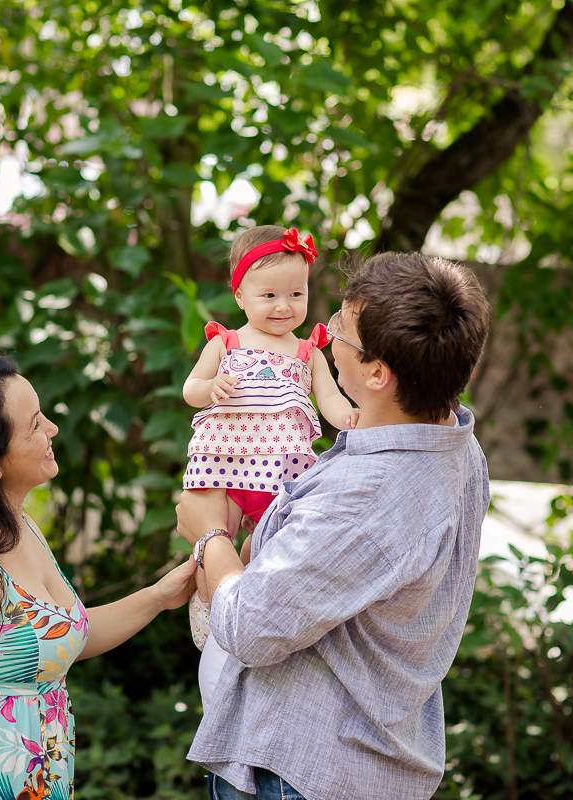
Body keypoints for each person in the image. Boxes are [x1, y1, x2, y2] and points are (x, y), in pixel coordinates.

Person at [176, 252, 491, 800]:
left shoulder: (365, 496)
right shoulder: (457, 443)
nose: (323, 338)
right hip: (370, 758)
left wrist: (210, 535)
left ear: (376, 371)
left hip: (302, 770)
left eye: (339, 330)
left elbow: (250, 626)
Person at [0, 355, 195, 800]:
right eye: (35, 424)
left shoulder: (23, 528)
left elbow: (66, 638)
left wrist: (158, 596)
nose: (53, 430)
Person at [181, 225, 357, 658]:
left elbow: (329, 398)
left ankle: (249, 613)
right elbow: (191, 389)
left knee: (266, 551)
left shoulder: (308, 351)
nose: (284, 306)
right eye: (269, 296)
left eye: (296, 295)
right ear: (240, 295)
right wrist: (211, 388)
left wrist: (348, 417)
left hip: (282, 469)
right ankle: (208, 603)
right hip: (223, 461)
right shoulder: (227, 342)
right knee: (213, 536)